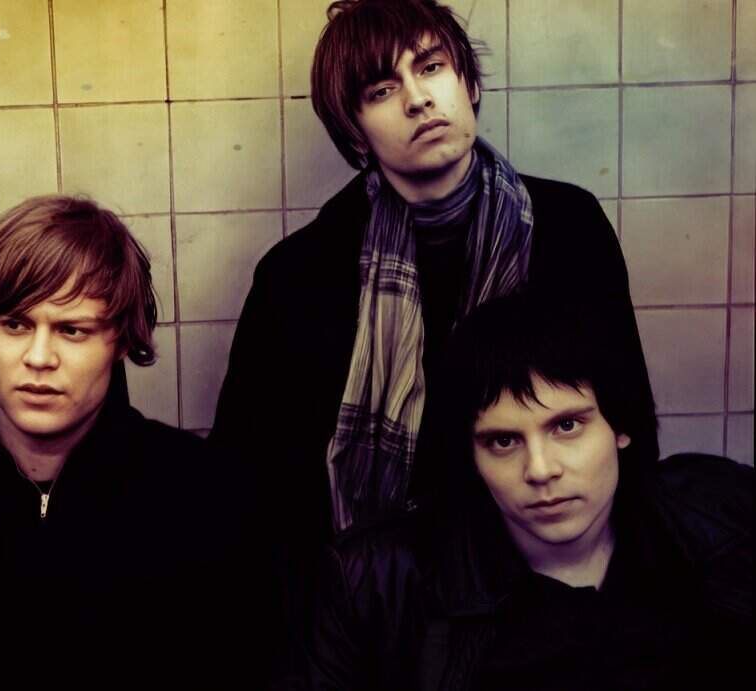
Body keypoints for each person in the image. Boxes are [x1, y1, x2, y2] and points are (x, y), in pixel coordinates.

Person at [209, 0, 655, 671]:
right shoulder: (300, 275)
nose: (419, 100)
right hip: (382, 614)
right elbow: (253, 479)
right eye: (382, 90)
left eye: (432, 67)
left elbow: (627, 418)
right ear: (355, 132)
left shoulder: (567, 228)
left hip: (539, 595)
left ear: (468, 84)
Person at [0, 195, 271, 687]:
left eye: (72, 330)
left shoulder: (203, 494)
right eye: (15, 324)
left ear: (120, 340)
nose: (39, 357)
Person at [308, 292, 752, 690]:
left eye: (566, 426)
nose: (539, 470)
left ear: (621, 426)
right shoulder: (376, 583)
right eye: (503, 441)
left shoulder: (722, 516)